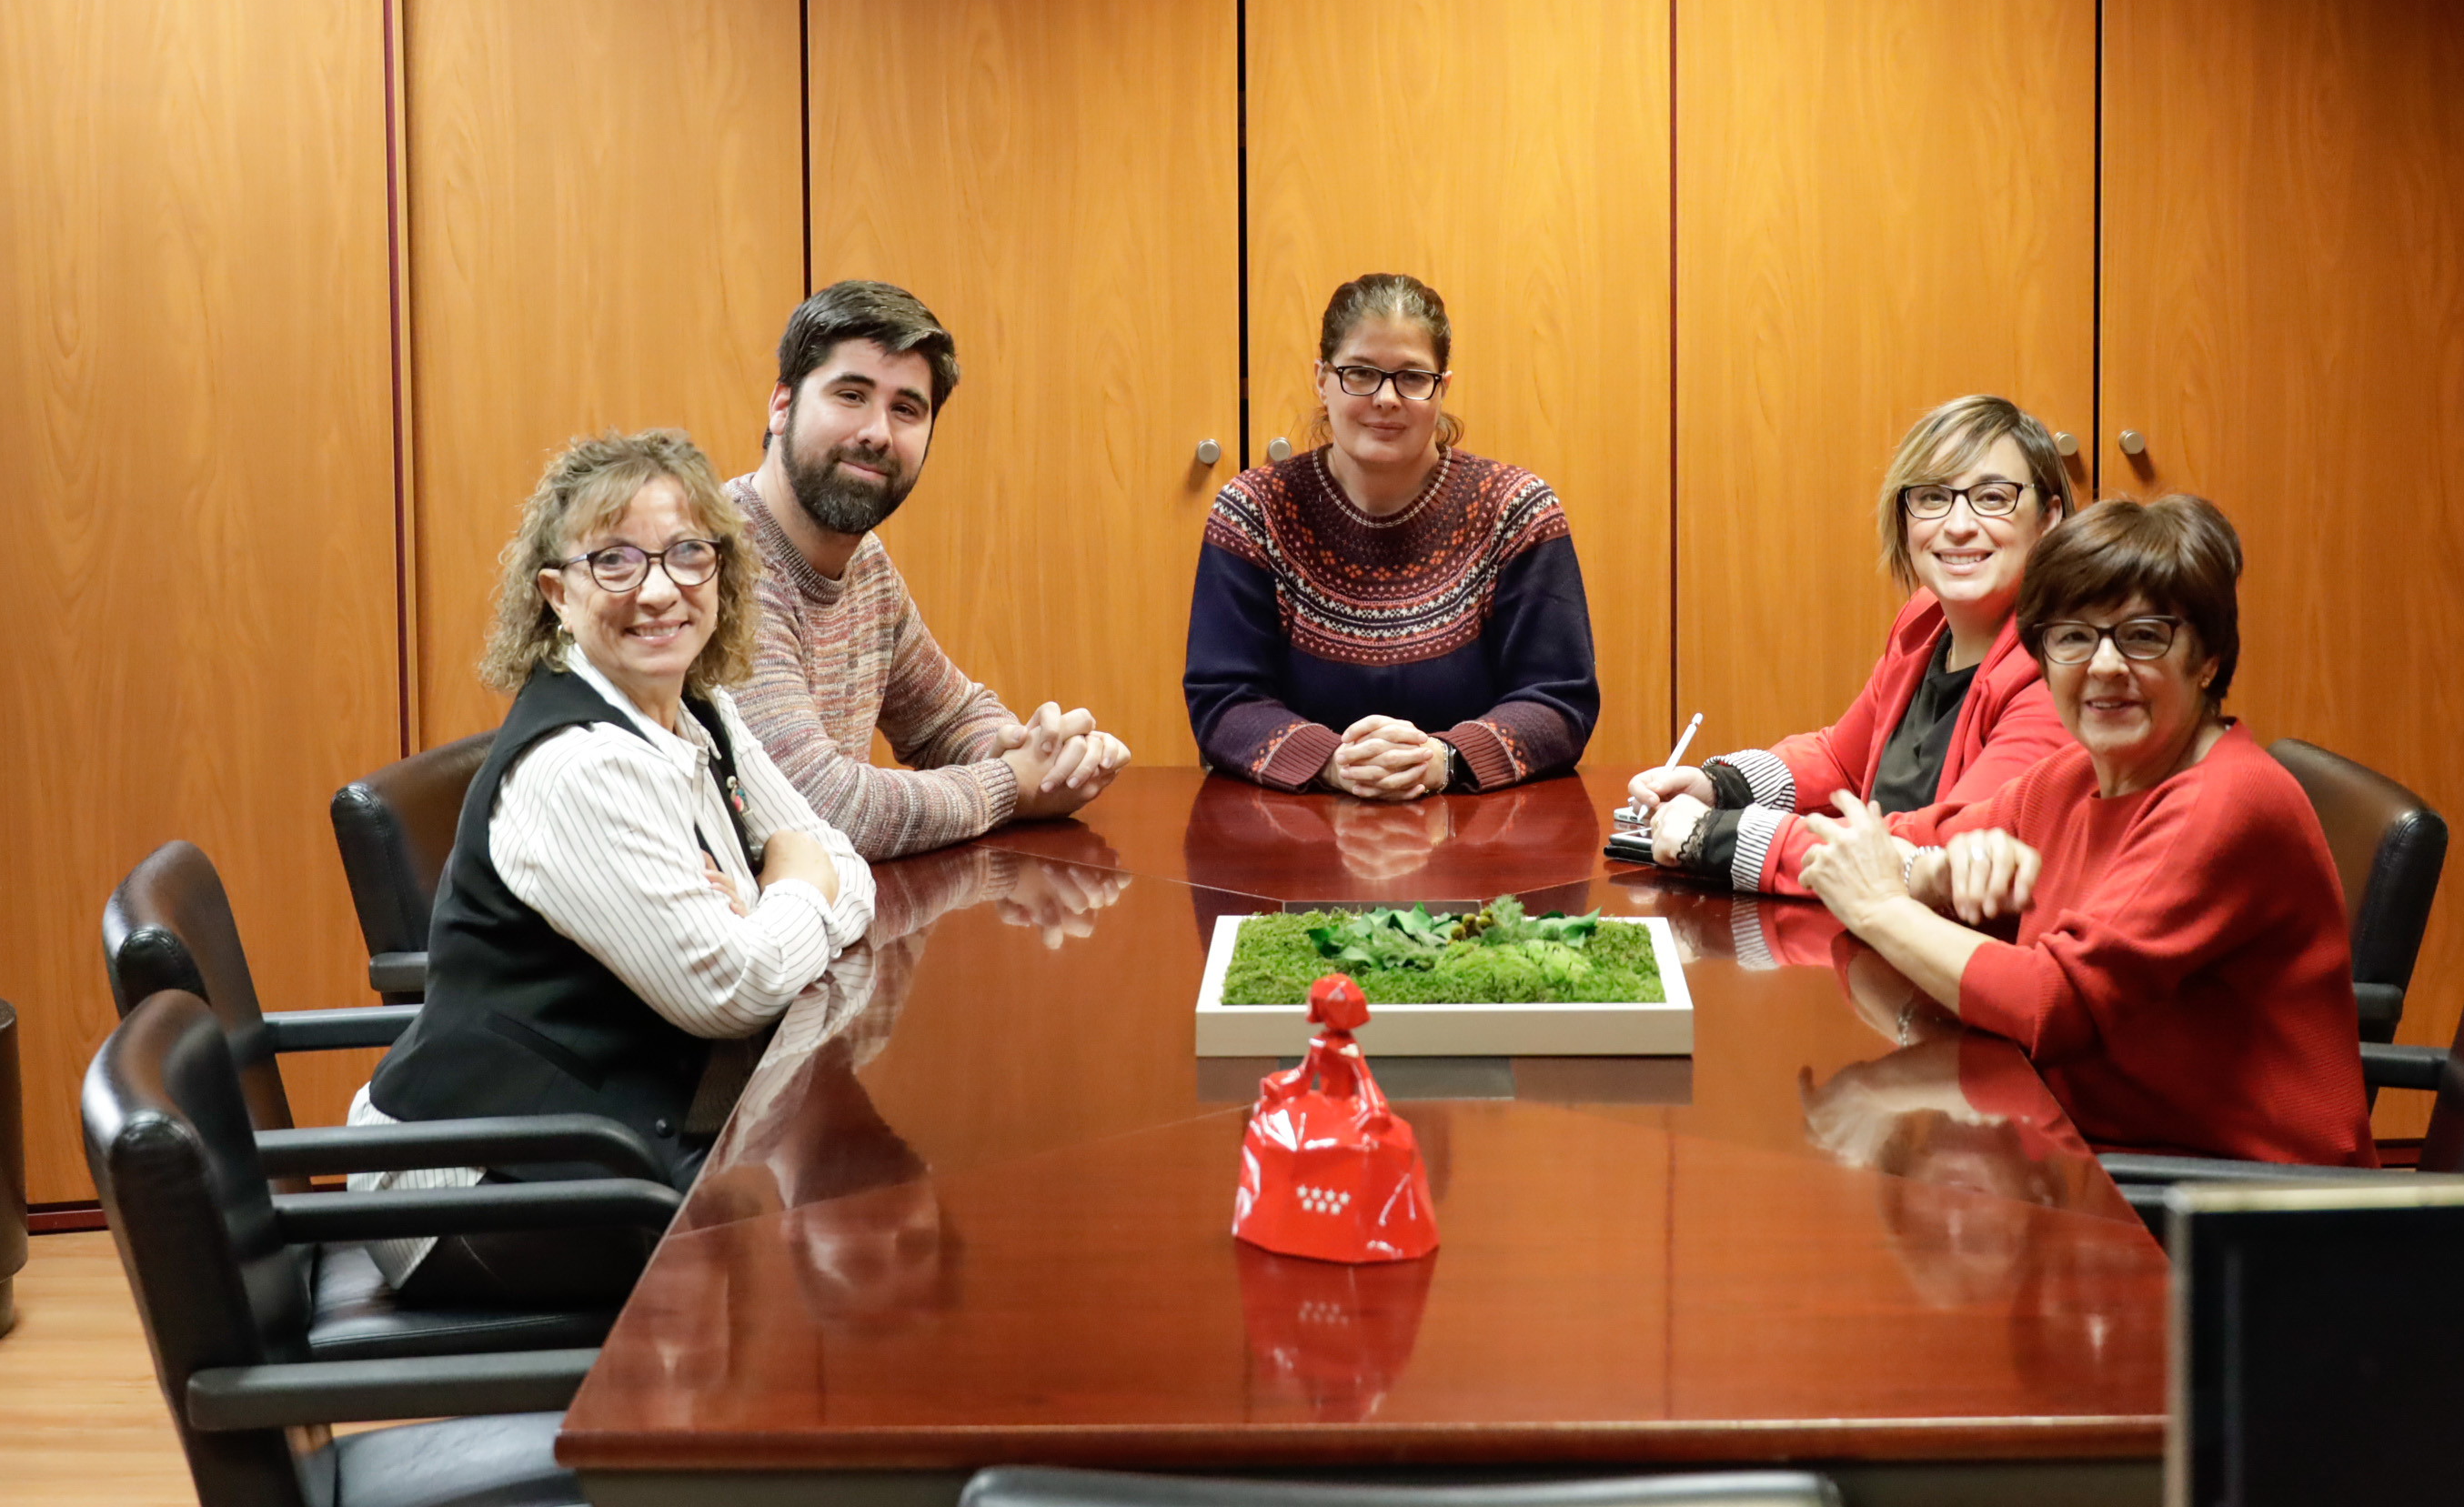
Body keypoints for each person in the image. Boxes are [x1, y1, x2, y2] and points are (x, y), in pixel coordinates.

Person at [349, 430, 877, 1305]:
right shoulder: (580, 770)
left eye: (687, 554)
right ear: (558, 595)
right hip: (468, 1183)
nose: (660, 590)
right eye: (616, 561)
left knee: (845, 1206)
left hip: (599, 1139)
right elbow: (734, 989)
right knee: (815, 1260)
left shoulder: (699, 712)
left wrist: (768, 902)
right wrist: (790, 887)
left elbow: (844, 860)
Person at [1794, 496, 2375, 1166]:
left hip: (2240, 1200)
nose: (2103, 666)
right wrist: (1930, 876)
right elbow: (1908, 835)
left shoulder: (2225, 801)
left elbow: (2051, 1002)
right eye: (2072, 637)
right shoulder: (2075, 776)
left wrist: (1880, 907)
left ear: (2208, 658)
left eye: (2143, 636)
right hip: (2089, 1142)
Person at [727, 281, 1131, 859]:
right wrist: (1010, 783)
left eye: (906, 409)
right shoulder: (717, 562)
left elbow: (946, 719)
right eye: (850, 395)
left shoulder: (864, 562)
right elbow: (819, 809)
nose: (877, 433)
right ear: (782, 406)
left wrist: (1044, 755)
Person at [1628, 395, 2077, 899]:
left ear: (2049, 518)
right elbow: (1842, 762)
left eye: (1992, 498)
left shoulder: (2062, 668)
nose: (1957, 525)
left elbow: (1946, 852)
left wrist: (1720, 837)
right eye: (1933, 497)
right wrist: (1720, 789)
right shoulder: (1926, 618)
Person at [1185, 272, 1598, 795]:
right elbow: (1223, 698)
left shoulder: (1517, 511)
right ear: (1321, 379)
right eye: (1360, 373)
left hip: (1476, 827)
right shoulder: (1253, 510)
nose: (1386, 398)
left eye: (1412, 377)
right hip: (1294, 826)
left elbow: (1559, 700)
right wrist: (1334, 763)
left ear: (1442, 388)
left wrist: (1441, 760)